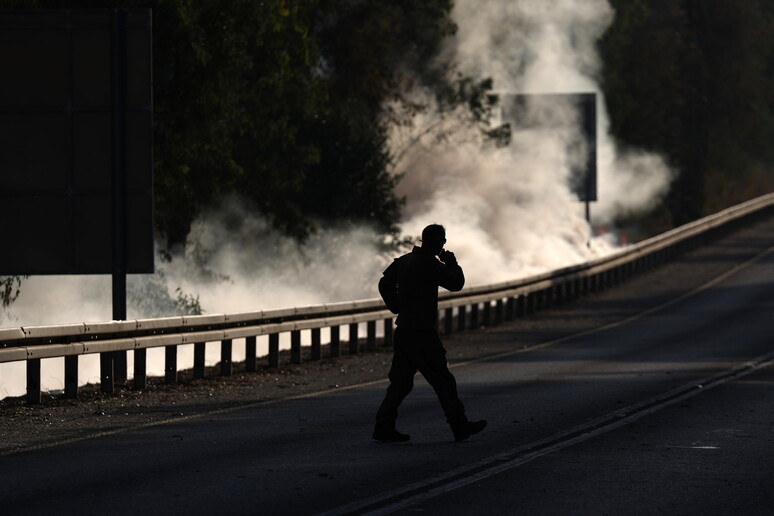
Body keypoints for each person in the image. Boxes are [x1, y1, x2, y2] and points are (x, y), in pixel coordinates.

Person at [373, 224, 487, 442]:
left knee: (401, 382)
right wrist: (452, 263)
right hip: (422, 332)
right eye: (442, 240)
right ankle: (459, 425)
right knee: (443, 380)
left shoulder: (404, 261)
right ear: (435, 242)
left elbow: (384, 282)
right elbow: (456, 283)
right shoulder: (429, 264)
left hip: (405, 330)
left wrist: (396, 305)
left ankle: (383, 425)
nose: (443, 244)